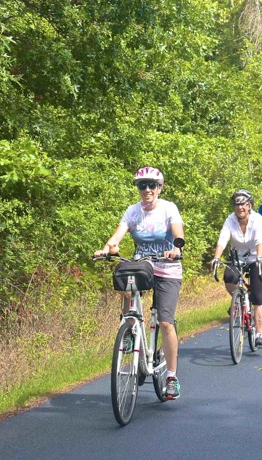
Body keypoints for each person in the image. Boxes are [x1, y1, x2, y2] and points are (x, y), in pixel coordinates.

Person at [94, 166, 185, 400]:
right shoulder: (133, 211)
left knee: (165, 322)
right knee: (125, 285)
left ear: (160, 187)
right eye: (142, 185)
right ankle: (129, 329)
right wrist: (108, 249)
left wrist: (176, 247)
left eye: (151, 185)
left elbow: (177, 229)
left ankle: (172, 377)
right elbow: (118, 235)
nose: (147, 189)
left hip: (167, 267)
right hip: (142, 265)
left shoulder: (168, 208)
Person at [211, 189, 262, 349]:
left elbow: (259, 240)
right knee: (229, 278)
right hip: (238, 257)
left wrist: (258, 258)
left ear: (249, 205)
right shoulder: (230, 220)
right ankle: (240, 299)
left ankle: (259, 335)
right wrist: (216, 258)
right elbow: (223, 238)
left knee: (258, 297)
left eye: (243, 204)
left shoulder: (257, 219)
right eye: (237, 205)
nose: (240, 208)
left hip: (257, 257)